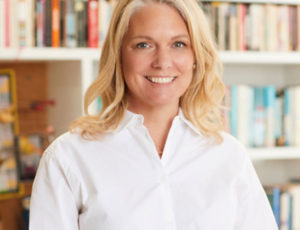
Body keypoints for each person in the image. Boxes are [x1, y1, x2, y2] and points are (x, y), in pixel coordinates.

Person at [29, 0, 278, 229]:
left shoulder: (229, 156)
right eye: (143, 45)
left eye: (178, 44)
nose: (162, 61)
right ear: (119, 56)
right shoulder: (67, 158)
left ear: (196, 57)